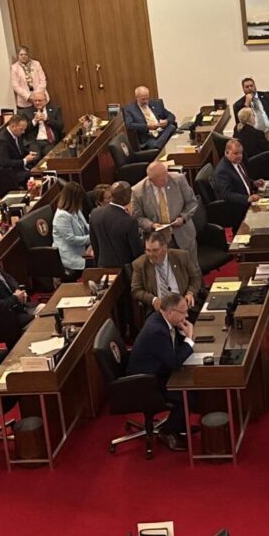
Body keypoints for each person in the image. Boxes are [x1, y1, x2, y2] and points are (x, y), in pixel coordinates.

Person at [128, 291, 195, 447]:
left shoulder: (160, 319)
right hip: (146, 383)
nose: (186, 316)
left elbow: (173, 347)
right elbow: (174, 361)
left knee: (190, 386)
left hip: (155, 373)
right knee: (188, 394)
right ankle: (168, 431)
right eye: (183, 312)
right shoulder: (157, 331)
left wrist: (182, 333)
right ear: (170, 312)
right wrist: (189, 339)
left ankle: (179, 426)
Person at [130, 230, 201, 317]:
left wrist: (190, 293)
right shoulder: (139, 264)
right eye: (148, 250)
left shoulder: (182, 256)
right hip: (159, 311)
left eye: (155, 250)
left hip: (184, 305)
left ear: (165, 247)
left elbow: (195, 278)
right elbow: (136, 290)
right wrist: (153, 300)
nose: (151, 255)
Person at [131, 158, 201, 243]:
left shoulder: (179, 179)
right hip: (158, 240)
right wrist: (151, 225)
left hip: (184, 235)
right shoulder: (137, 191)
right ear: (151, 180)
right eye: (161, 180)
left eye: (166, 175)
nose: (166, 180)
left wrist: (183, 218)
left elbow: (192, 202)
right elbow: (138, 217)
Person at [88, 181, 143, 270]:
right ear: (126, 197)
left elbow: (94, 244)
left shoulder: (95, 214)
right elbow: (137, 252)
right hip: (125, 269)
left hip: (103, 266)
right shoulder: (129, 221)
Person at [124, 85, 178, 150]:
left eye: (147, 98)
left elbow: (171, 115)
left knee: (171, 127)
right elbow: (129, 125)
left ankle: (158, 145)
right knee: (155, 143)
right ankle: (158, 145)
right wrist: (147, 126)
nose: (146, 101)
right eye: (143, 99)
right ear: (136, 97)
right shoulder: (129, 109)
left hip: (161, 132)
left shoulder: (156, 104)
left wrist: (166, 121)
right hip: (148, 137)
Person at [212, 138, 256, 205]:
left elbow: (241, 180)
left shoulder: (238, 162)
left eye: (241, 153)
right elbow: (226, 194)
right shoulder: (222, 171)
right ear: (227, 153)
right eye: (236, 153)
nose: (239, 156)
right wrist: (247, 198)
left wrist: (253, 183)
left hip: (250, 198)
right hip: (238, 205)